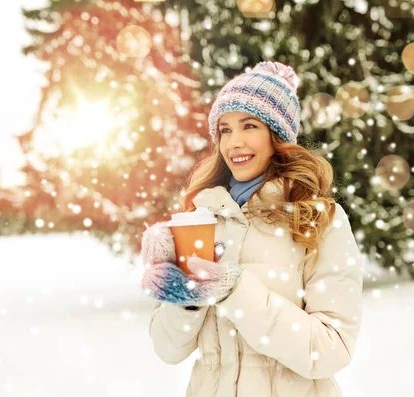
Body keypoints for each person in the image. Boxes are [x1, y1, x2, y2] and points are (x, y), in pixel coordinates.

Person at [139, 61, 363, 397]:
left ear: (278, 136)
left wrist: (234, 290)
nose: (234, 143)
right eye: (225, 130)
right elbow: (167, 350)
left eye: (249, 126)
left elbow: (330, 350)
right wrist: (185, 298)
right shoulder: (203, 217)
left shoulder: (319, 219)